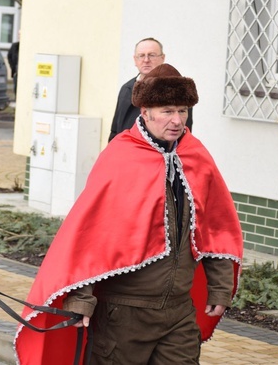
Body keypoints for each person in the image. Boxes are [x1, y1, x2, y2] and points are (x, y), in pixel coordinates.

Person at [15, 64, 243, 364]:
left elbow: (216, 227)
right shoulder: (120, 156)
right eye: (167, 111)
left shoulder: (196, 156)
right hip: (122, 314)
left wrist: (220, 289)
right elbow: (90, 233)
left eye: (183, 111)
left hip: (179, 312)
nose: (177, 121)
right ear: (145, 112)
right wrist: (81, 299)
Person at [108, 37, 193, 141]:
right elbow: (115, 130)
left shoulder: (177, 89)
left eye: (152, 55)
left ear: (163, 58)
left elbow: (182, 133)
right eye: (141, 55)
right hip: (126, 151)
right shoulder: (127, 88)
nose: (146, 60)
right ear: (135, 59)